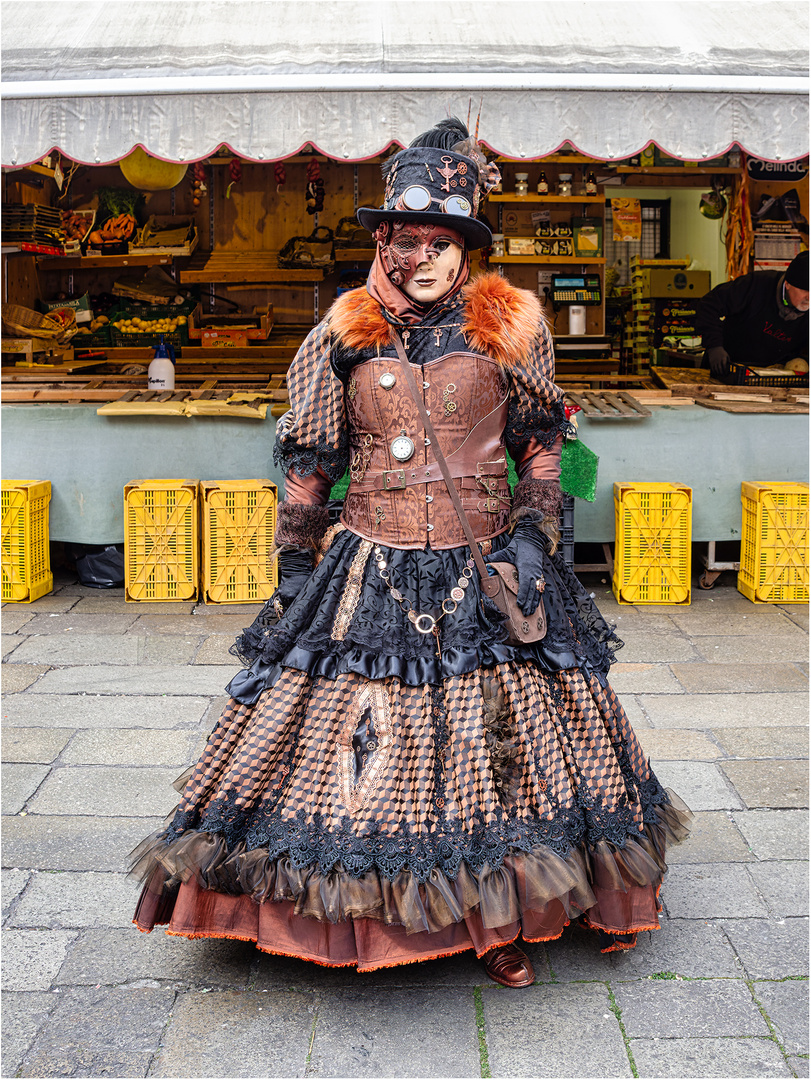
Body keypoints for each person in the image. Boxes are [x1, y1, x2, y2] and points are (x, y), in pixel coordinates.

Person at [131, 118, 691, 988]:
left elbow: (547, 439)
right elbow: (310, 454)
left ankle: (501, 918)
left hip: (488, 561)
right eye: (406, 240)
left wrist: (539, 539)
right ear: (383, 241)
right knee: (356, 741)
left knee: (496, 748)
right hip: (370, 563)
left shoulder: (513, 324)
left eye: (442, 243)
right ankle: (358, 914)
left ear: (468, 248)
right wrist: (292, 565)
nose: (421, 259)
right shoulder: (342, 332)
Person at [696, 249, 809, 379]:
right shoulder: (755, 286)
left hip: (775, 380)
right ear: (787, 284)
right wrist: (714, 346)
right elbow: (709, 305)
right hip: (727, 371)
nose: (809, 298)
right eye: (805, 290)